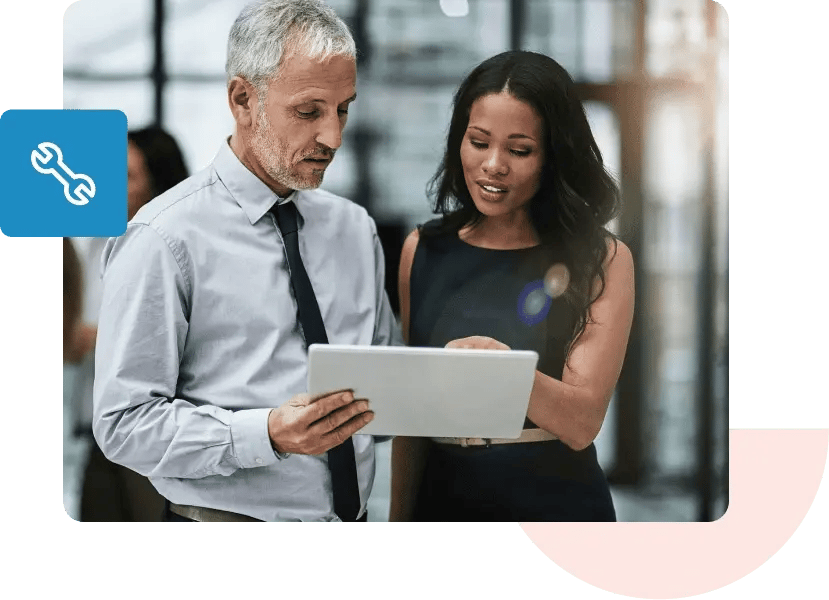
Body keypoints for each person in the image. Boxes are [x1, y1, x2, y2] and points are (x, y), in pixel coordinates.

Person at [92, 0, 401, 523]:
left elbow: (384, 398)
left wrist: (453, 379)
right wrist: (266, 435)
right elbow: (123, 425)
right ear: (243, 99)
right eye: (309, 111)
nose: (333, 137)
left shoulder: (354, 229)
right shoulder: (164, 237)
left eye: (343, 108)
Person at [389, 50, 635, 522]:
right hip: (440, 506)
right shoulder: (422, 248)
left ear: (552, 156)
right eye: (478, 142)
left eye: (519, 150)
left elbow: (581, 423)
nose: (493, 165)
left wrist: (503, 372)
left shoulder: (603, 259)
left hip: (553, 510)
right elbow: (411, 422)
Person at [67, 126, 189, 521]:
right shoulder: (96, 240)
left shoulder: (177, 251)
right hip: (94, 434)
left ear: (157, 187)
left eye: (127, 177)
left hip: (152, 442)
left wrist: (98, 339)